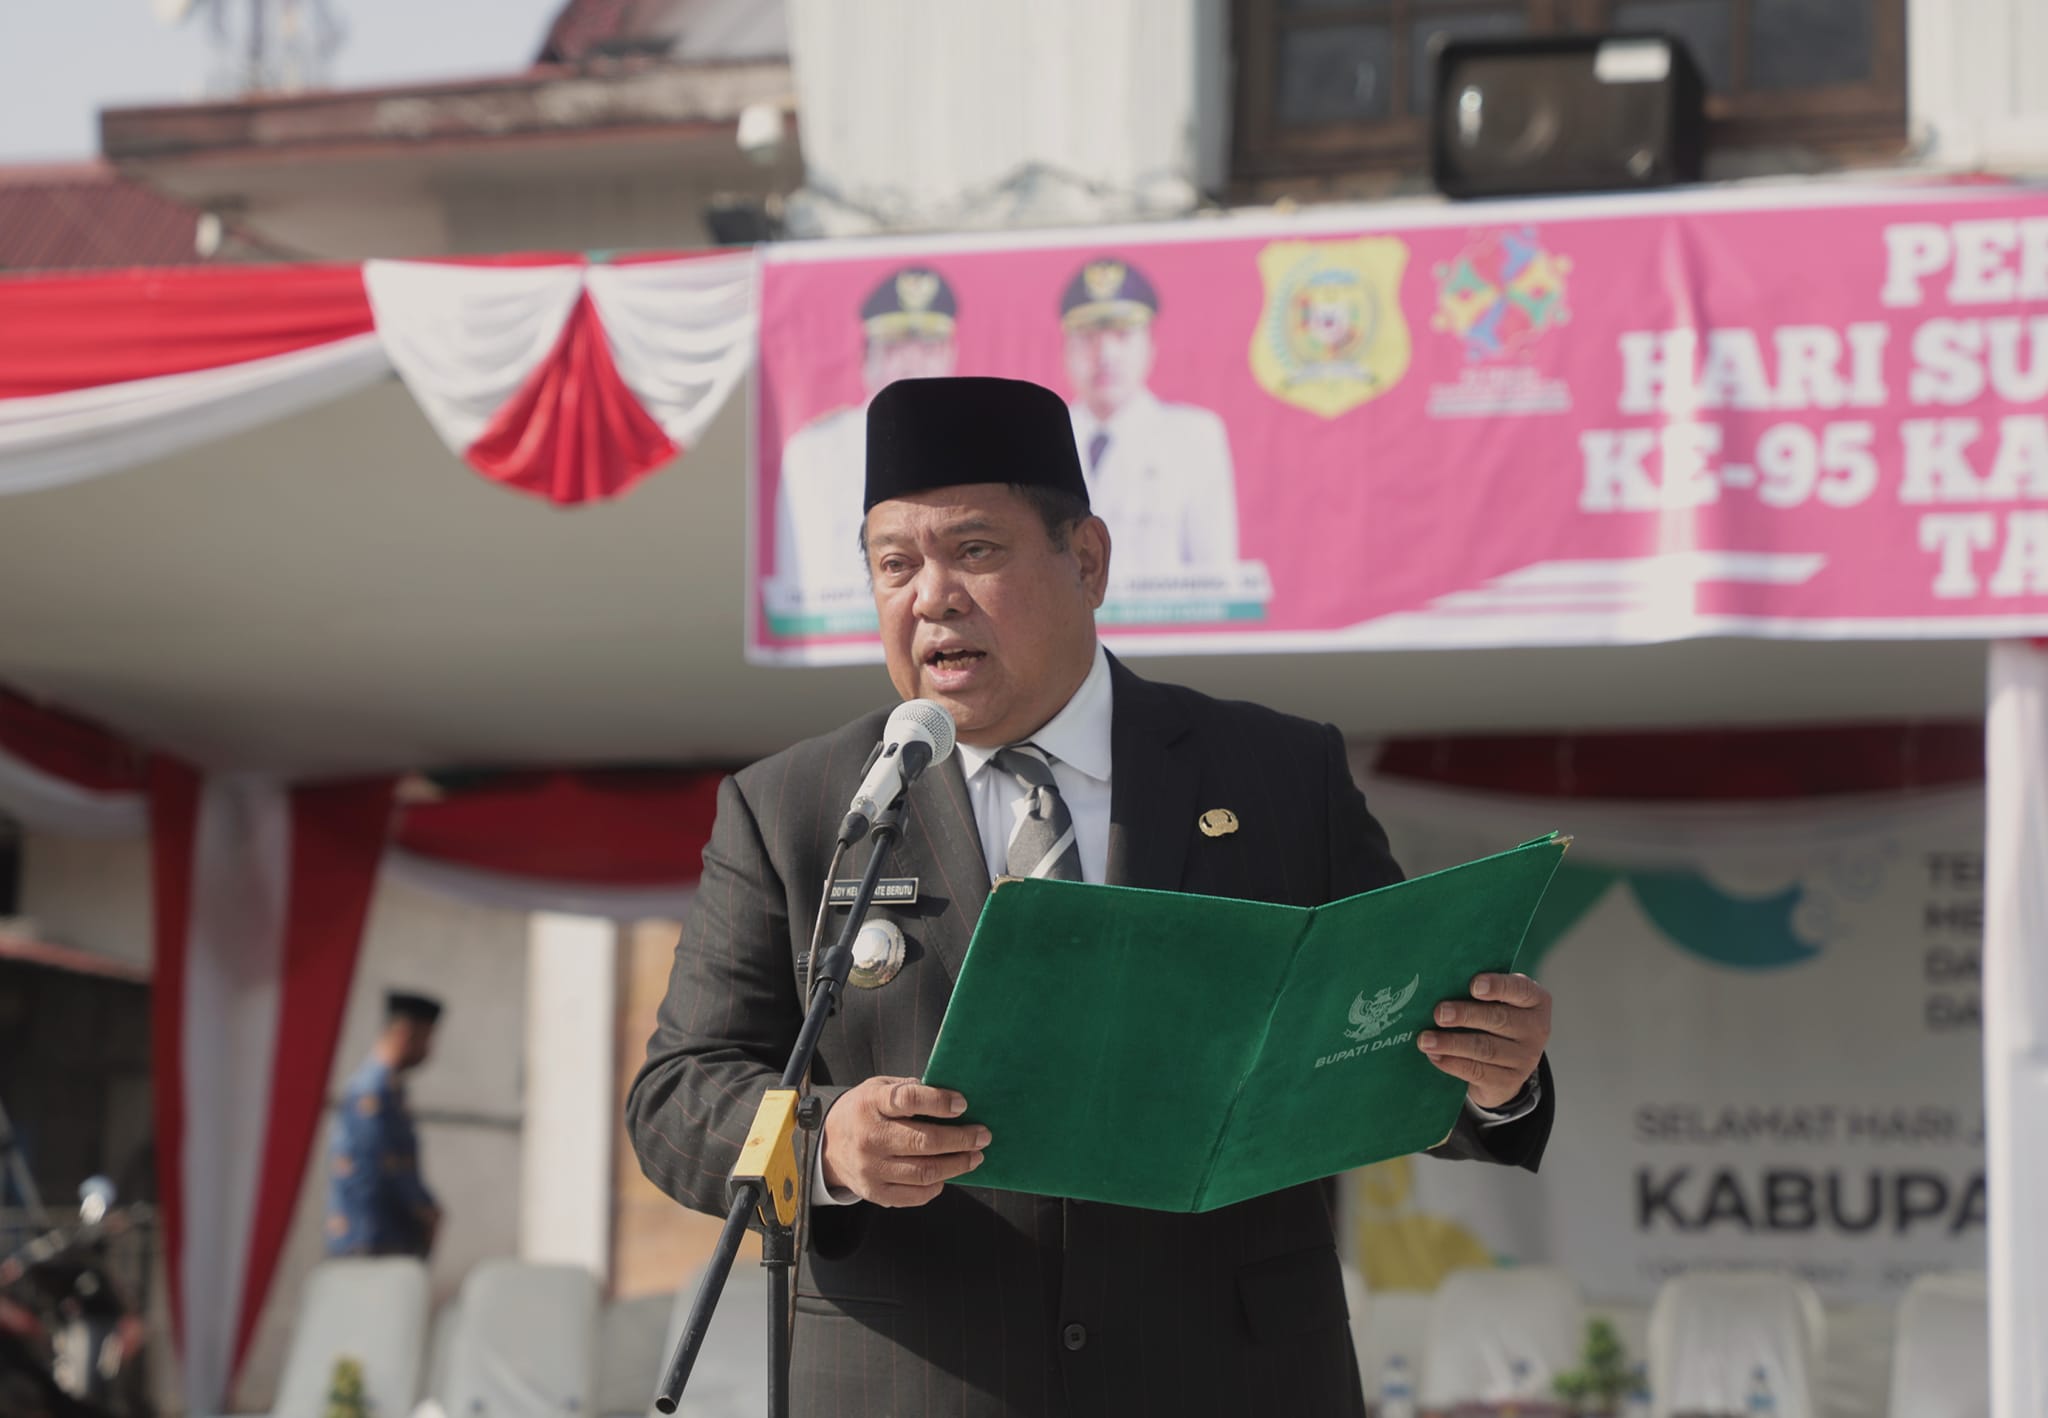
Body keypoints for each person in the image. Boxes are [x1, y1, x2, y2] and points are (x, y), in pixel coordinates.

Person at [629, 376, 1555, 1416]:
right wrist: (828, 1142)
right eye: (894, 564)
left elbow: (1393, 1028)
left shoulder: (1276, 774)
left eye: (975, 550)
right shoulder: (796, 806)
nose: (931, 596)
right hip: (917, 1382)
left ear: (1087, 560)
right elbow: (675, 1096)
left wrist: (1494, 1072)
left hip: (1229, 1376)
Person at [772, 265, 960, 609]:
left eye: (927, 348)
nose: (912, 364)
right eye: (895, 348)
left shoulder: (981, 447)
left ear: (950, 356)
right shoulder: (813, 451)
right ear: (865, 359)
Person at [1060, 256, 1243, 581]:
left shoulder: (1193, 438)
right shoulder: (1041, 440)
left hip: (1163, 615)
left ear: (1150, 346)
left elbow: (1216, 576)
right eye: (1089, 337)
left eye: (1122, 336)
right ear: (1067, 350)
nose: (1106, 355)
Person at [324, 991, 443, 1259]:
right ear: (404, 1034)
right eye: (425, 1039)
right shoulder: (374, 1092)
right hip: (370, 1240)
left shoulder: (387, 1089)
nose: (429, 1050)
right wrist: (423, 1209)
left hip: (378, 1238)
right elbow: (386, 1162)